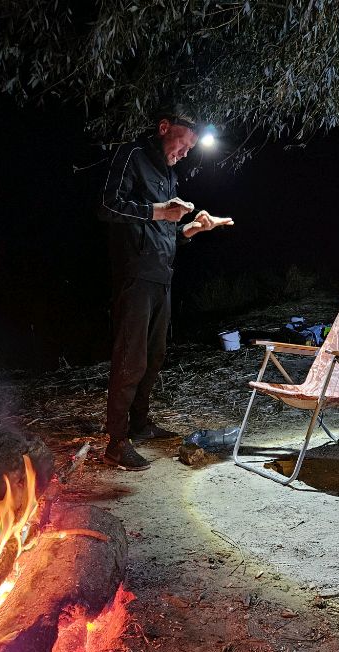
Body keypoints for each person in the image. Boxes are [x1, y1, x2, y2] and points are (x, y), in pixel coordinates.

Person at [98, 106, 234, 470]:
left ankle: (140, 425)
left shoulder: (168, 175)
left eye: (191, 148)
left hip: (162, 277)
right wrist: (159, 211)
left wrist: (193, 229)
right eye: (184, 143)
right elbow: (107, 205)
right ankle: (116, 440)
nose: (186, 153)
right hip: (135, 275)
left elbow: (167, 232)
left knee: (154, 355)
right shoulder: (133, 156)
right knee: (131, 358)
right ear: (163, 128)